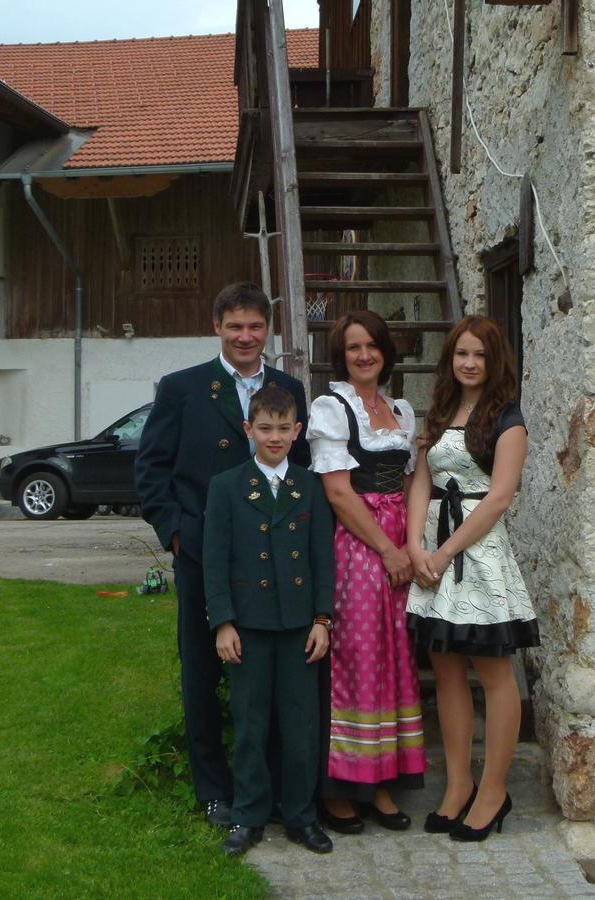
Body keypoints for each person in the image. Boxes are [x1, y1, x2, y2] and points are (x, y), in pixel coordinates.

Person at [135, 282, 310, 827]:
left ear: (268, 329)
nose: (245, 336)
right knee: (202, 671)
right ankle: (214, 789)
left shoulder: (288, 388)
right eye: (234, 326)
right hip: (203, 555)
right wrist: (177, 533)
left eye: (255, 326)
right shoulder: (183, 388)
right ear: (217, 327)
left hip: (275, 559)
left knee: (274, 673)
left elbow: (298, 471)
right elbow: (150, 468)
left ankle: (276, 789)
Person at [405, 315, 540, 843]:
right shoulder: (438, 412)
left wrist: (444, 552)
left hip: (477, 555)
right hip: (434, 553)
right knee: (446, 670)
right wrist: (417, 545)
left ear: (494, 361)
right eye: (461, 353)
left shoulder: (508, 418)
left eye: (479, 355)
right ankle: (457, 784)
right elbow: (422, 483)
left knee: (493, 671)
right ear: (450, 358)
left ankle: (493, 790)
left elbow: (500, 498)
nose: (469, 363)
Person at [204, 384, 336, 856]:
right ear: (249, 430)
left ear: (298, 431)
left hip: (300, 627)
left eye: (284, 428)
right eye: (265, 428)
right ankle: (248, 816)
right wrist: (223, 622)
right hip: (248, 628)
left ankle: (302, 816)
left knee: (301, 726)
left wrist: (323, 619)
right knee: (251, 724)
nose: (274, 437)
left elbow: (323, 560)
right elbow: (215, 561)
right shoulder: (227, 487)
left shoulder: (311, 487)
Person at [306, 310, 424, 834]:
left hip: (399, 541)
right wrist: (387, 549)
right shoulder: (332, 408)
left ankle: (380, 782)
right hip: (360, 545)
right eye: (353, 347)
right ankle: (340, 789)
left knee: (393, 658)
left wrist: (411, 546)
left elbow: (411, 480)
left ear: (385, 352)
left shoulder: (401, 409)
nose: (363, 355)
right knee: (357, 658)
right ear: (341, 356)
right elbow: (337, 492)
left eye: (372, 345)